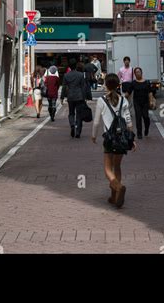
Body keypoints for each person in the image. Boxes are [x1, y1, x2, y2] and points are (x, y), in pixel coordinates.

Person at [92, 73, 136, 208]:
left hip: (109, 139)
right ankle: (114, 196)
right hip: (122, 138)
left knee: (107, 168)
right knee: (117, 166)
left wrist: (93, 136)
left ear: (106, 84)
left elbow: (96, 122)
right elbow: (129, 122)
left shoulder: (101, 100)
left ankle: (117, 187)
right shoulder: (124, 100)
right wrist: (131, 139)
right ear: (118, 85)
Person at [60, 59, 87, 138]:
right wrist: (84, 97)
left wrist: (62, 97)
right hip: (79, 96)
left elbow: (64, 87)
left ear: (69, 67)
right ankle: (78, 131)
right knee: (79, 114)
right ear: (76, 66)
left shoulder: (66, 75)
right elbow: (83, 87)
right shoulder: (80, 75)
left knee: (71, 113)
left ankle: (72, 124)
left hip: (70, 96)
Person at [131, 67, 152, 139]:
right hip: (137, 102)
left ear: (141, 73)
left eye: (139, 72)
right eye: (136, 72)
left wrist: (151, 101)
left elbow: (150, 93)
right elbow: (128, 92)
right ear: (134, 74)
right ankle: (139, 133)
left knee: (146, 117)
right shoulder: (133, 83)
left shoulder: (146, 82)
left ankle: (146, 128)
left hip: (145, 102)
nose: (138, 73)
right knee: (138, 117)